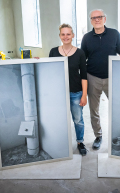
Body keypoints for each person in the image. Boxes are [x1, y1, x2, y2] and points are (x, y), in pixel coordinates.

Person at [81, 9, 120, 150]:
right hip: (93, 77)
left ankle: (118, 135)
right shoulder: (87, 38)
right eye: (94, 18)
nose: (97, 19)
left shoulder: (114, 34)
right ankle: (98, 136)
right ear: (91, 20)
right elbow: (82, 59)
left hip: (111, 78)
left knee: (117, 107)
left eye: (99, 17)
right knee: (94, 110)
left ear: (105, 19)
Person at [49, 23, 88, 156]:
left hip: (75, 93)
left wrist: (84, 95)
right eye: (63, 34)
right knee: (60, 119)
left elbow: (84, 76)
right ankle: (61, 142)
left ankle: (80, 142)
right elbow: (50, 72)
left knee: (78, 120)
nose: (66, 37)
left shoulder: (80, 53)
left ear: (73, 36)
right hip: (59, 93)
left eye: (68, 34)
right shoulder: (53, 52)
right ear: (60, 36)